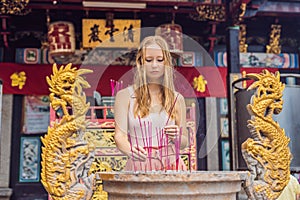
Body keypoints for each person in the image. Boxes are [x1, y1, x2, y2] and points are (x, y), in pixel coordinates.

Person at [114, 35, 188, 171]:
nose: (154, 65)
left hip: (171, 165)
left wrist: (178, 137)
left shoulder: (177, 99)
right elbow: (120, 136)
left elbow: (184, 142)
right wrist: (130, 150)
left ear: (167, 63)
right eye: (149, 60)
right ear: (140, 62)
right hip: (140, 162)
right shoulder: (124, 96)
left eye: (160, 60)